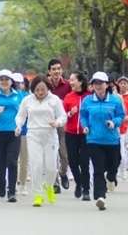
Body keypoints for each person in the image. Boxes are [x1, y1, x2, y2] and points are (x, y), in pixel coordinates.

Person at [15, 75, 67, 206]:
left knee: (51, 167)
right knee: (36, 165)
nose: (40, 92)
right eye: (37, 90)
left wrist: (57, 122)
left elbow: (63, 116)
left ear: (48, 88)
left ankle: (49, 186)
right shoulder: (27, 100)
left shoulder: (54, 99)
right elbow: (20, 115)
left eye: (42, 89)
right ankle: (37, 194)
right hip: (33, 135)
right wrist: (19, 125)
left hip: (50, 135)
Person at [79, 71, 125, 211]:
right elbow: (83, 116)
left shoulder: (115, 100)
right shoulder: (87, 101)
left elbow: (121, 115)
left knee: (113, 165)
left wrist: (114, 122)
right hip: (93, 139)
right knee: (98, 168)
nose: (98, 86)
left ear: (107, 84)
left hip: (111, 140)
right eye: (95, 83)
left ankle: (111, 178)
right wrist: (85, 126)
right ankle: (100, 197)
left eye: (100, 83)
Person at [0, 69, 21, 201]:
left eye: (7, 79)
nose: (4, 82)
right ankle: (2, 183)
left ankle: (12, 191)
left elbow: (25, 111)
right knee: (1, 162)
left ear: (11, 81)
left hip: (14, 132)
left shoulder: (18, 95)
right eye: (2, 80)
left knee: (12, 161)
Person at [63, 71, 92, 201]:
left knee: (84, 162)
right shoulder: (68, 97)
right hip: (71, 134)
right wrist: (70, 113)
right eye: (70, 80)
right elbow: (62, 116)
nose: (71, 82)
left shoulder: (90, 96)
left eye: (73, 79)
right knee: (73, 162)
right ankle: (78, 183)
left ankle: (86, 189)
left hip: (86, 134)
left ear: (80, 81)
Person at [45, 59, 71, 193]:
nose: (56, 71)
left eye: (58, 68)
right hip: (47, 124)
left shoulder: (67, 85)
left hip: (62, 123)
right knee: (51, 154)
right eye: (53, 69)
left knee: (64, 154)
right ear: (49, 71)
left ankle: (63, 172)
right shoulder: (44, 84)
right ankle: (55, 183)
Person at [12, 72, 29, 195]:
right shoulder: (7, 95)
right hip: (9, 130)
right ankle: (11, 183)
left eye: (20, 82)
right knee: (12, 160)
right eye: (15, 82)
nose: (18, 85)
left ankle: (22, 184)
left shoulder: (28, 97)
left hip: (24, 131)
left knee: (24, 160)